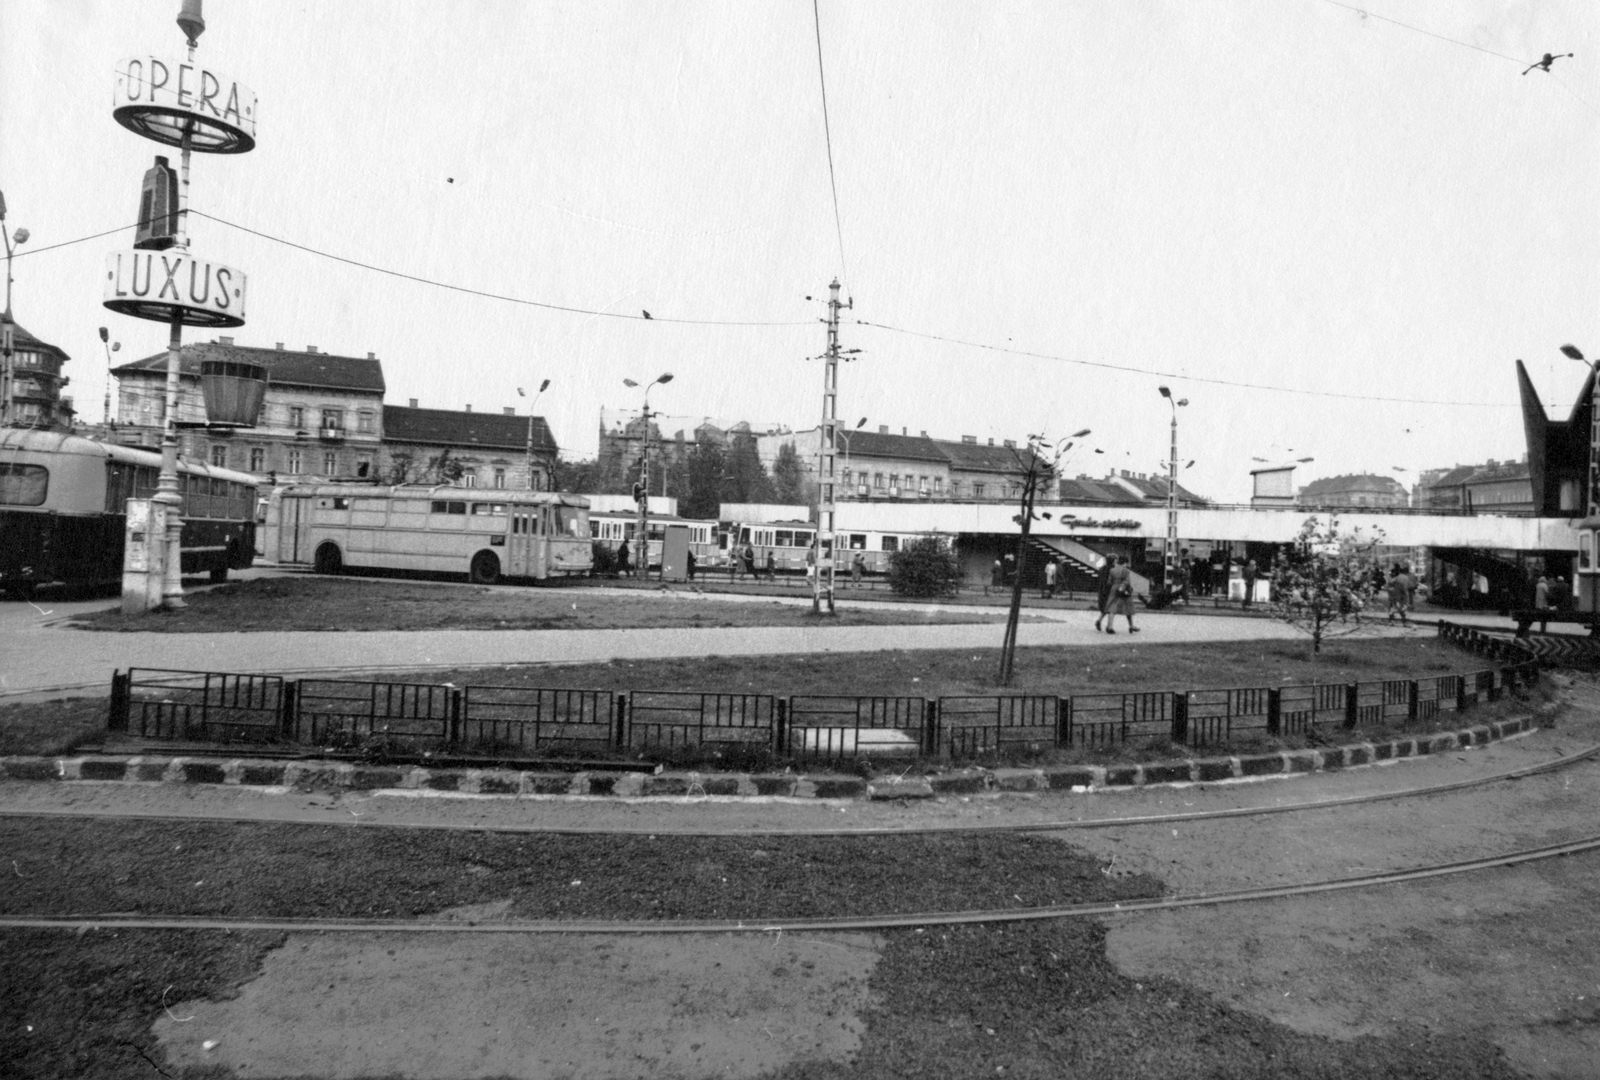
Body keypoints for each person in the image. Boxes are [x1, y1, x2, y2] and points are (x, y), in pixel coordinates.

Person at [1104, 555, 1139, 634]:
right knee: (1128, 608)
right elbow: (1127, 581)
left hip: (1114, 589)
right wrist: (1121, 587)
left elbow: (1109, 582)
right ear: (1125, 562)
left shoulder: (1112, 570)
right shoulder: (1126, 571)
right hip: (1123, 590)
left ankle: (1110, 626)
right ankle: (1131, 626)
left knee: (1112, 607)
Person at [1093, 555, 1114, 632]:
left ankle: (1099, 621)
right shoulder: (1112, 569)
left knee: (1106, 608)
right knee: (1111, 608)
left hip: (1102, 590)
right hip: (1109, 590)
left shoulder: (1102, 569)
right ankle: (1109, 627)